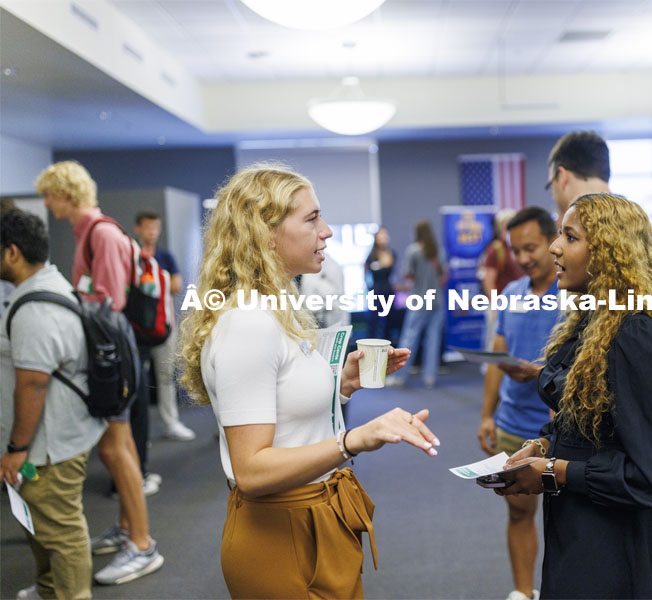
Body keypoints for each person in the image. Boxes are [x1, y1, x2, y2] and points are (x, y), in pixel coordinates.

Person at [178, 164, 440, 599]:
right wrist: (354, 439)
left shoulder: (276, 309)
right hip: (281, 532)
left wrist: (341, 383)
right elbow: (252, 470)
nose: (328, 231)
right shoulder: (248, 323)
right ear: (267, 234)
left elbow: (281, 404)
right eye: (312, 218)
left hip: (315, 517)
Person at [497, 193, 652, 599]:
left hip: (615, 547)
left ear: (606, 252)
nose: (555, 247)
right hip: (576, 526)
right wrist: (543, 444)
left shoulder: (635, 335)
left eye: (570, 237)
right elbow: (592, 425)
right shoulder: (588, 324)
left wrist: (554, 471)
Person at [35, 160, 164, 585]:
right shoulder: (91, 231)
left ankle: (141, 545)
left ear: (66, 194)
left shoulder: (102, 233)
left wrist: (75, 299)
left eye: (50, 195)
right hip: (111, 349)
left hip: (112, 352)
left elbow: (109, 302)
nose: (47, 204)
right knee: (118, 445)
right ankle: (130, 530)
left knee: (115, 449)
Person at [0, 209, 107, 600]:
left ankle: (70, 594)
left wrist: (16, 449)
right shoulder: (48, 287)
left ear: (12, 253)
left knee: (60, 530)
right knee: (44, 524)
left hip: (47, 447)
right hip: (51, 441)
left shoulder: (33, 307)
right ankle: (51, 589)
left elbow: (32, 384)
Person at [546, 130, 652, 341]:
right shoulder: (639, 239)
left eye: (550, 184)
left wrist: (631, 364)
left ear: (562, 177)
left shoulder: (635, 242)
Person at [478, 207, 560, 600]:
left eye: (532, 248)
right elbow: (497, 358)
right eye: (517, 250)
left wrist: (541, 371)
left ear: (552, 241)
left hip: (560, 429)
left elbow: (591, 361)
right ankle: (523, 592)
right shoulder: (511, 294)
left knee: (569, 521)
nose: (524, 258)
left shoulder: (575, 294)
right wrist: (486, 416)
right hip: (513, 422)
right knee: (519, 512)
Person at [133, 210, 195, 442]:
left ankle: (171, 422)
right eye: (148, 227)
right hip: (138, 329)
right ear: (138, 228)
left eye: (156, 228)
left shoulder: (165, 256)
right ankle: (139, 432)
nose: (152, 232)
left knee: (166, 376)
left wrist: (152, 281)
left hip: (164, 326)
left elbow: (176, 285)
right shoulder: (133, 255)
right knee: (138, 379)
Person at [388, 220, 447, 389]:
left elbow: (407, 274)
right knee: (433, 338)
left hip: (420, 299)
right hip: (437, 300)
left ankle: (400, 377)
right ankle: (430, 377)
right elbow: (443, 277)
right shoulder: (437, 251)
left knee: (409, 337)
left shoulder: (413, 250)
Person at [480, 209, 525, 357]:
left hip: (518, 301)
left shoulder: (517, 247)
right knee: (495, 340)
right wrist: (495, 305)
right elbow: (489, 280)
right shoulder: (496, 249)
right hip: (500, 303)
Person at [365, 226, 397, 340]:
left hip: (388, 290)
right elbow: (366, 272)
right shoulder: (372, 255)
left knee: (390, 321)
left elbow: (391, 269)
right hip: (376, 290)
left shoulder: (391, 253)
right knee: (373, 321)